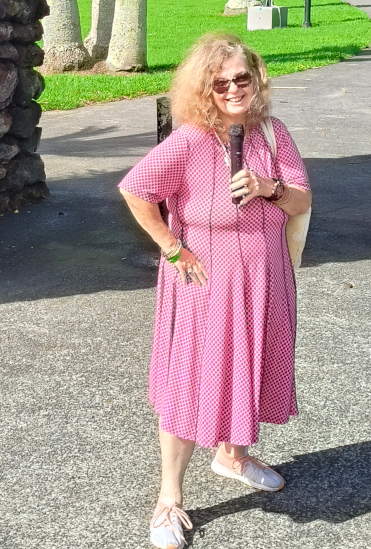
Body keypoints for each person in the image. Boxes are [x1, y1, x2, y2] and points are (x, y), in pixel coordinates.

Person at [118, 32, 312, 549]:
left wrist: (268, 187)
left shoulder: (273, 134)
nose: (232, 89)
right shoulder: (189, 140)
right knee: (191, 385)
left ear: (256, 78)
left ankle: (231, 455)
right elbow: (135, 190)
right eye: (220, 81)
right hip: (206, 281)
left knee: (247, 368)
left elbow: (300, 201)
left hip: (264, 276)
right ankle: (168, 500)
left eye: (241, 78)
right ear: (205, 87)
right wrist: (171, 246)